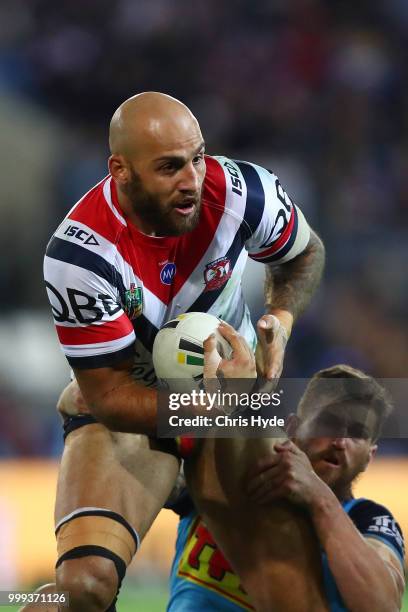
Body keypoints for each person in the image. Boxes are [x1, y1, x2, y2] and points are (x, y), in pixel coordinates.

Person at [40, 91, 325, 611]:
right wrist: (202, 409)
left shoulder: (244, 193)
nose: (192, 179)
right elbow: (108, 396)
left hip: (236, 413)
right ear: (120, 170)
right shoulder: (78, 255)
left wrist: (280, 323)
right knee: (83, 588)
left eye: (196, 157)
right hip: (134, 416)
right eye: (170, 167)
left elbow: (304, 254)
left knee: (293, 591)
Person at [167, 365, 405, 612]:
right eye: (328, 422)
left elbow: (383, 607)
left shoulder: (368, 518)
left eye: (357, 433)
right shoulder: (232, 468)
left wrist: (319, 498)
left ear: (370, 456)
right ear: (292, 427)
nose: (340, 442)